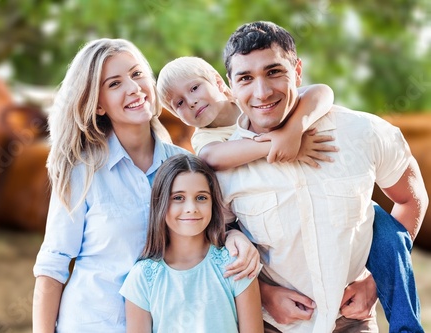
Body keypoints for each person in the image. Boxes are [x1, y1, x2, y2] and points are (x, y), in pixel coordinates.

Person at [31, 38, 261, 333]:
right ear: (98, 104)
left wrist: (234, 237)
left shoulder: (185, 165)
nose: (133, 88)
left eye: (137, 74)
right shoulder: (83, 172)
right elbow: (52, 267)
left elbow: (208, 232)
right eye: (114, 84)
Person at [217, 21, 428, 332]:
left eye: (274, 72)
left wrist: (373, 283)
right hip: (272, 324)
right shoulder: (221, 168)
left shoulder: (362, 132)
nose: (261, 92)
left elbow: (411, 198)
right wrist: (262, 295)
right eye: (246, 78)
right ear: (230, 86)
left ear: (298, 71)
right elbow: (207, 245)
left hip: (352, 322)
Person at [120, 154, 264, 333]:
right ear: (161, 203)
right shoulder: (142, 277)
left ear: (213, 203)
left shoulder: (236, 264)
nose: (191, 208)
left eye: (201, 198)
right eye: (178, 198)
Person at [157, 56, 337, 171]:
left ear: (218, 83)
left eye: (195, 88)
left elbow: (322, 92)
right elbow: (211, 157)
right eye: (179, 103)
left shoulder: (250, 99)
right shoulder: (204, 138)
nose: (191, 102)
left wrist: (293, 131)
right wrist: (280, 144)